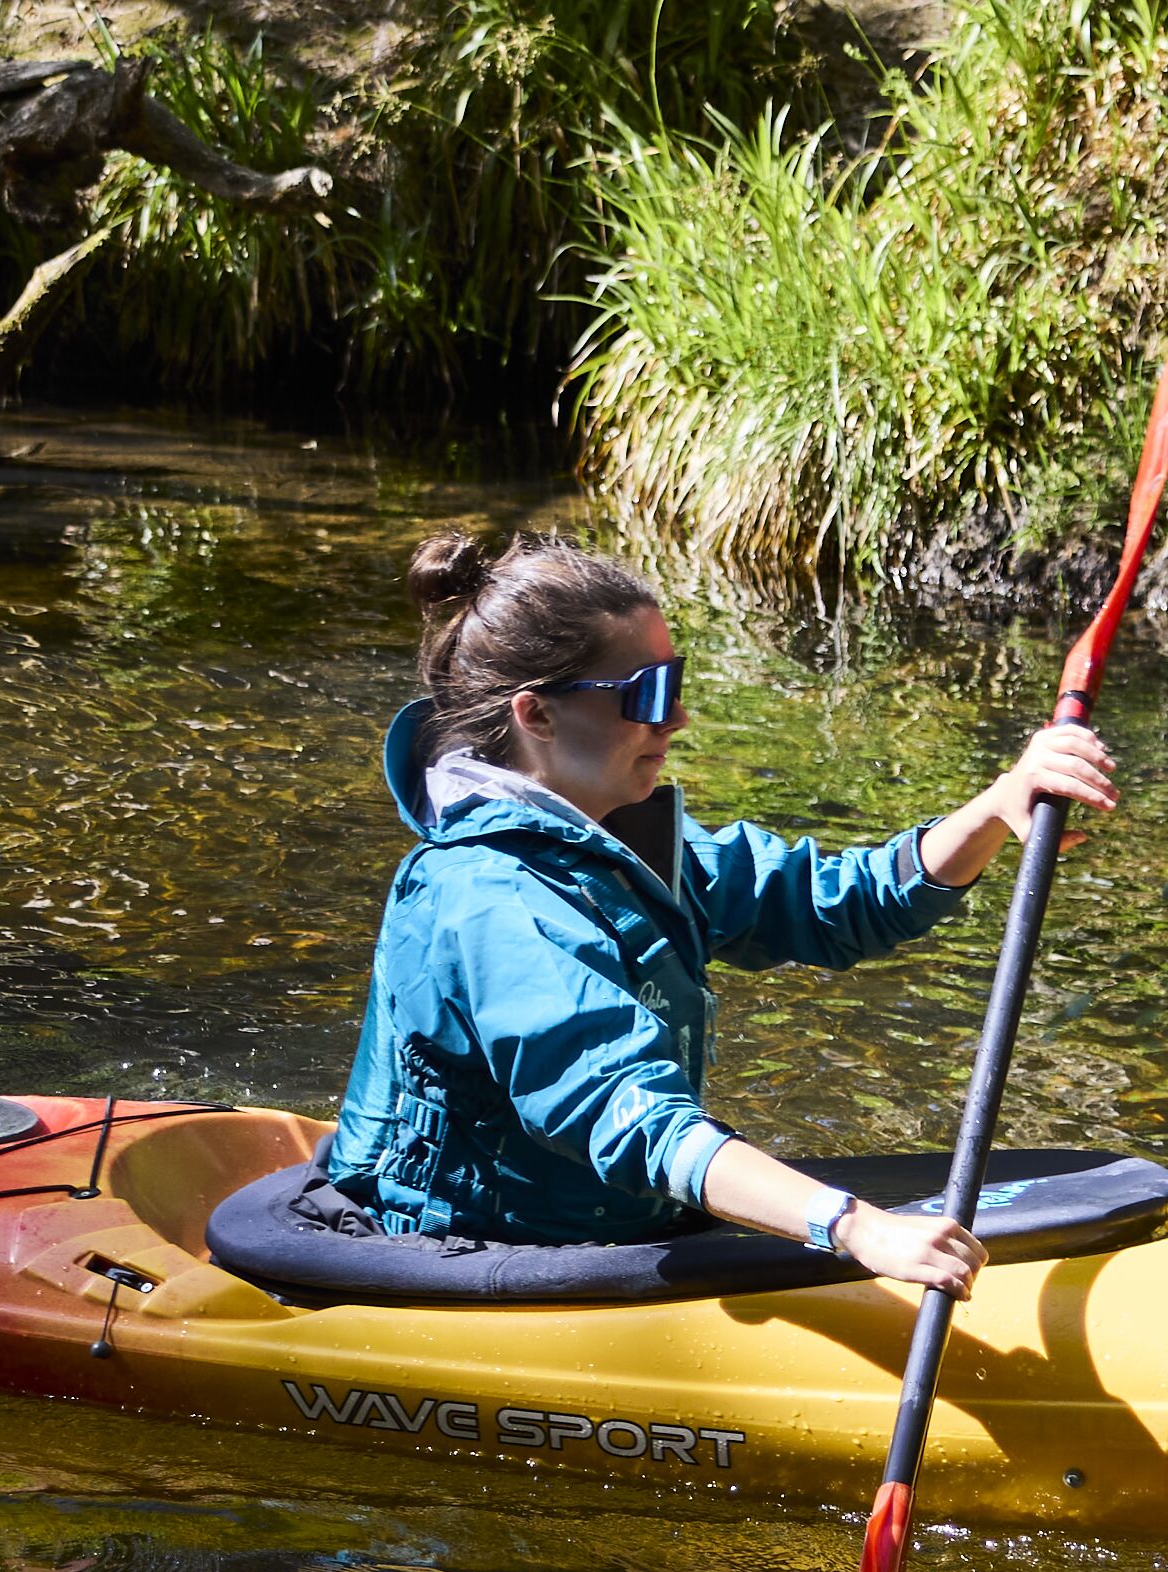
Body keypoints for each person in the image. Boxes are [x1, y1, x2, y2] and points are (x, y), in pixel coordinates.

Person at [319, 527, 1120, 1297]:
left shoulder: (629, 842)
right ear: (537, 715)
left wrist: (1000, 803)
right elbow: (626, 1113)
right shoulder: (490, 897)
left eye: (679, 684)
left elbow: (838, 907)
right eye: (648, 694)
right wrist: (856, 1228)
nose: (677, 720)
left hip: (610, 1219)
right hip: (480, 1248)